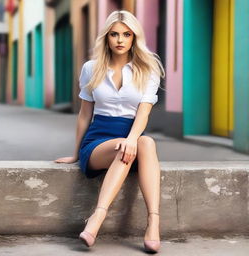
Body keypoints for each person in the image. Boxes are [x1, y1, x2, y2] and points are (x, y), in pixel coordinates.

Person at [55, 10, 165, 253]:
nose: (120, 40)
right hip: (99, 142)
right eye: (114, 34)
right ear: (106, 37)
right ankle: (98, 216)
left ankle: (153, 222)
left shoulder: (148, 68)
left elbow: (143, 113)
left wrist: (132, 139)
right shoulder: (91, 68)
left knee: (146, 144)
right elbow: (85, 114)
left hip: (132, 138)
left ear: (135, 38)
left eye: (127, 34)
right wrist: (75, 153)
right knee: (124, 147)